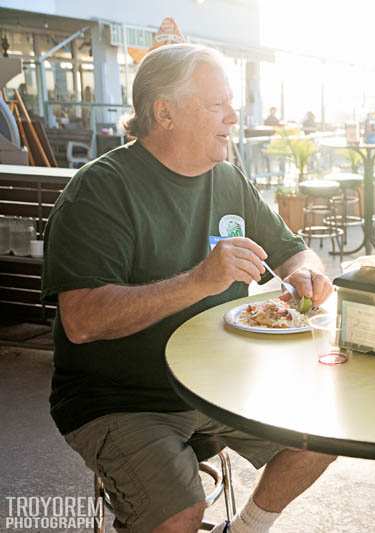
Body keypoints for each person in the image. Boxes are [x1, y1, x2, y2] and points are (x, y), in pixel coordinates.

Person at [42, 44, 336, 533]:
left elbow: (294, 251)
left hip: (218, 386)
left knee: (328, 429)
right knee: (179, 513)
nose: (234, 118)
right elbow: (83, 321)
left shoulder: (229, 180)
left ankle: (244, 529)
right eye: (218, 104)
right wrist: (201, 279)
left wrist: (306, 272)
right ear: (165, 112)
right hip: (118, 397)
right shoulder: (100, 190)